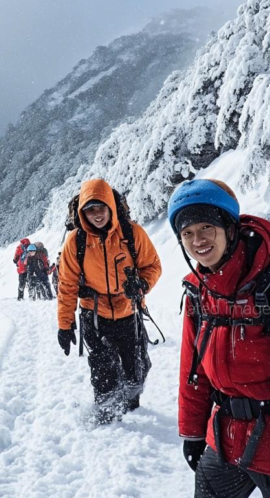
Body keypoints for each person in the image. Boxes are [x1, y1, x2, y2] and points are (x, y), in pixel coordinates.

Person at [169, 179, 270, 497]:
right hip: (221, 440)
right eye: (187, 233)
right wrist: (192, 431)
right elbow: (193, 369)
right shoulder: (197, 291)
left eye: (206, 227)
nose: (198, 240)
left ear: (230, 228)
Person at [56, 178, 162, 425]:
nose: (97, 214)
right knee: (103, 369)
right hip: (94, 315)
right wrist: (64, 323)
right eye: (90, 210)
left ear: (111, 207)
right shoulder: (76, 241)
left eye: (101, 207)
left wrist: (142, 284)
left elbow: (153, 266)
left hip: (129, 312)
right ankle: (107, 417)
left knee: (136, 369)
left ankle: (131, 406)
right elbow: (68, 285)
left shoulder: (132, 233)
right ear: (82, 213)